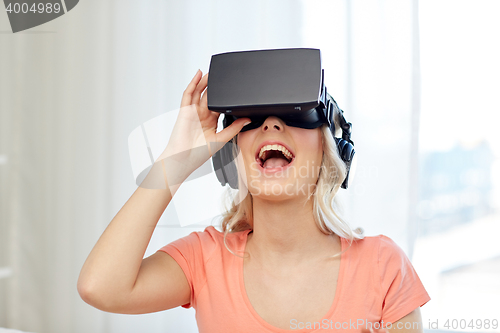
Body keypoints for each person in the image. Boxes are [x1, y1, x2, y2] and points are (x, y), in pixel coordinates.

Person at [78, 69, 430, 333]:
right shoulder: (205, 258)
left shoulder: (382, 267)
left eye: (295, 114)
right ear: (233, 158)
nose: (272, 125)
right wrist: (174, 162)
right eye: (254, 119)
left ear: (326, 150)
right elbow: (101, 287)